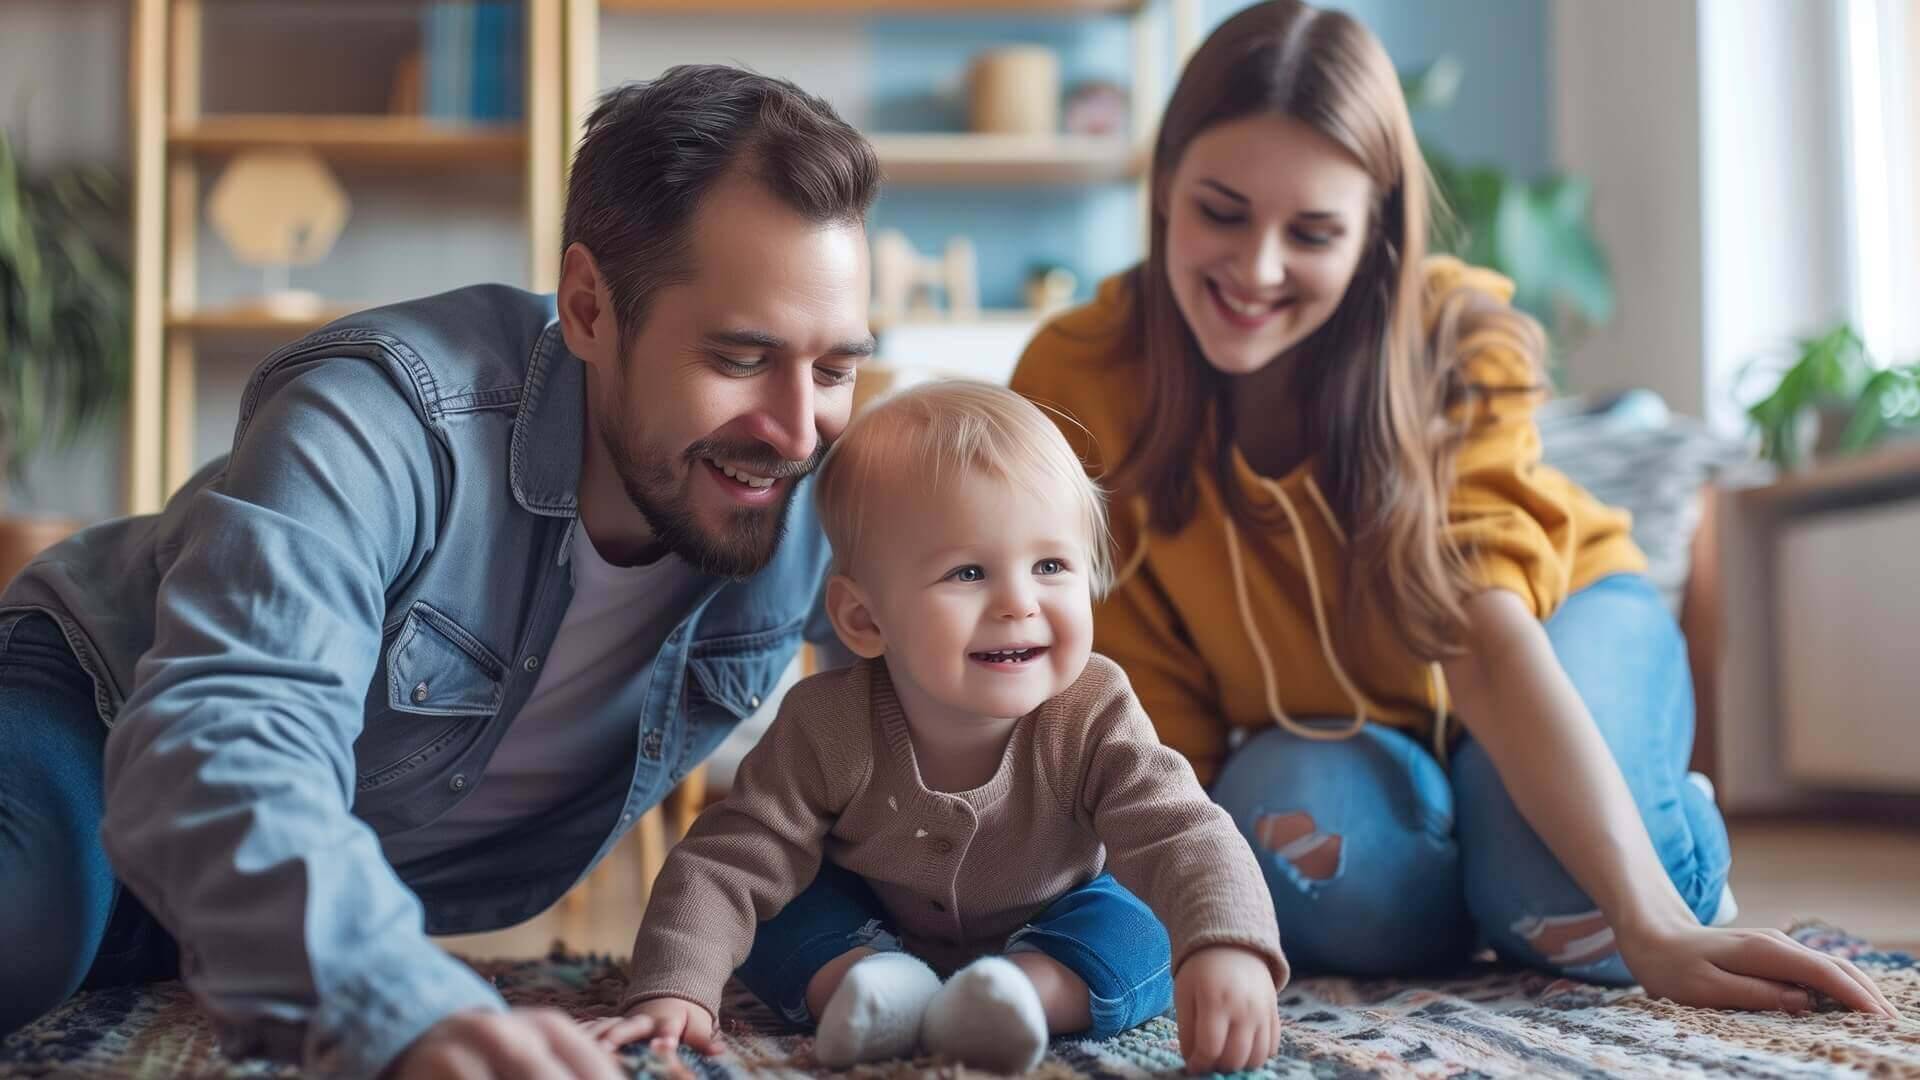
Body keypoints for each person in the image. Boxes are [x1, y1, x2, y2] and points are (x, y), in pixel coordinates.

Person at [1011, 0, 1897, 1019]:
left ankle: (1640, 840)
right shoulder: (1079, 372)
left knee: (1575, 903)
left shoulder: (1459, 335)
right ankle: (1489, 866)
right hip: (1331, 730)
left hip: (1552, 634)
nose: (1256, 269)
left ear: (1375, 227)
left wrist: (1652, 924)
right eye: (1220, 211)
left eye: (1311, 232)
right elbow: (1138, 696)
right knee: (1332, 901)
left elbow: (1483, 635)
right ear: (1165, 186)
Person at [0, 64, 885, 1079]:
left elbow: (979, 688)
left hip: (266, 885)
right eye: (738, 358)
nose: (794, 428)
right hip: (97, 709)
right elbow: (234, 728)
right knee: (27, 925)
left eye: (835, 369)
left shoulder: (811, 488)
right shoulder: (379, 417)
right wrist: (404, 1011)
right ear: (591, 309)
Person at [582, 381, 1288, 1076]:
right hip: (868, 928)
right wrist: (674, 986)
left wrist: (1230, 946)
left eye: (1050, 565)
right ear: (863, 619)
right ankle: (878, 988)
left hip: (1060, 918)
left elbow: (1182, 830)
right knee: (775, 916)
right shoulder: (829, 723)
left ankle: (1024, 997)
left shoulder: (1094, 706)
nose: (1019, 603)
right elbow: (731, 859)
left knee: (1142, 929)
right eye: (969, 573)